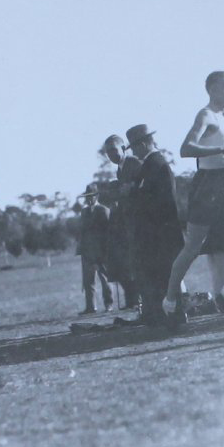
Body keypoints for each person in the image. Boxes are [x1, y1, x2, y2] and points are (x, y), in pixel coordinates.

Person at [162, 71, 224, 319]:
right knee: (193, 247)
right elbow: (186, 149)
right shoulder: (205, 115)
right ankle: (170, 300)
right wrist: (222, 148)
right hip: (208, 185)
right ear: (212, 90)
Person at [125, 124, 184, 327]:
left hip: (161, 235)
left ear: (142, 144)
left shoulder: (157, 165)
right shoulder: (149, 166)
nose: (133, 152)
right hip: (154, 235)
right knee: (158, 278)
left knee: (165, 277)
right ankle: (162, 318)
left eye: (134, 147)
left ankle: (174, 318)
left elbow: (165, 203)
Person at [102, 135, 142, 309]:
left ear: (124, 148)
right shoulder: (120, 168)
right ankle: (135, 299)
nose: (111, 154)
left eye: (113, 150)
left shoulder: (133, 163)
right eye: (108, 152)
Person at [76, 183, 113, 314]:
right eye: (87, 196)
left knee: (105, 279)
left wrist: (107, 249)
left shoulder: (103, 210)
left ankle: (109, 304)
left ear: (96, 196)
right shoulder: (84, 212)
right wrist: (81, 248)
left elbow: (109, 232)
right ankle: (91, 307)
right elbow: (82, 231)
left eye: (91, 196)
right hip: (87, 252)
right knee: (88, 281)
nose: (89, 199)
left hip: (101, 251)